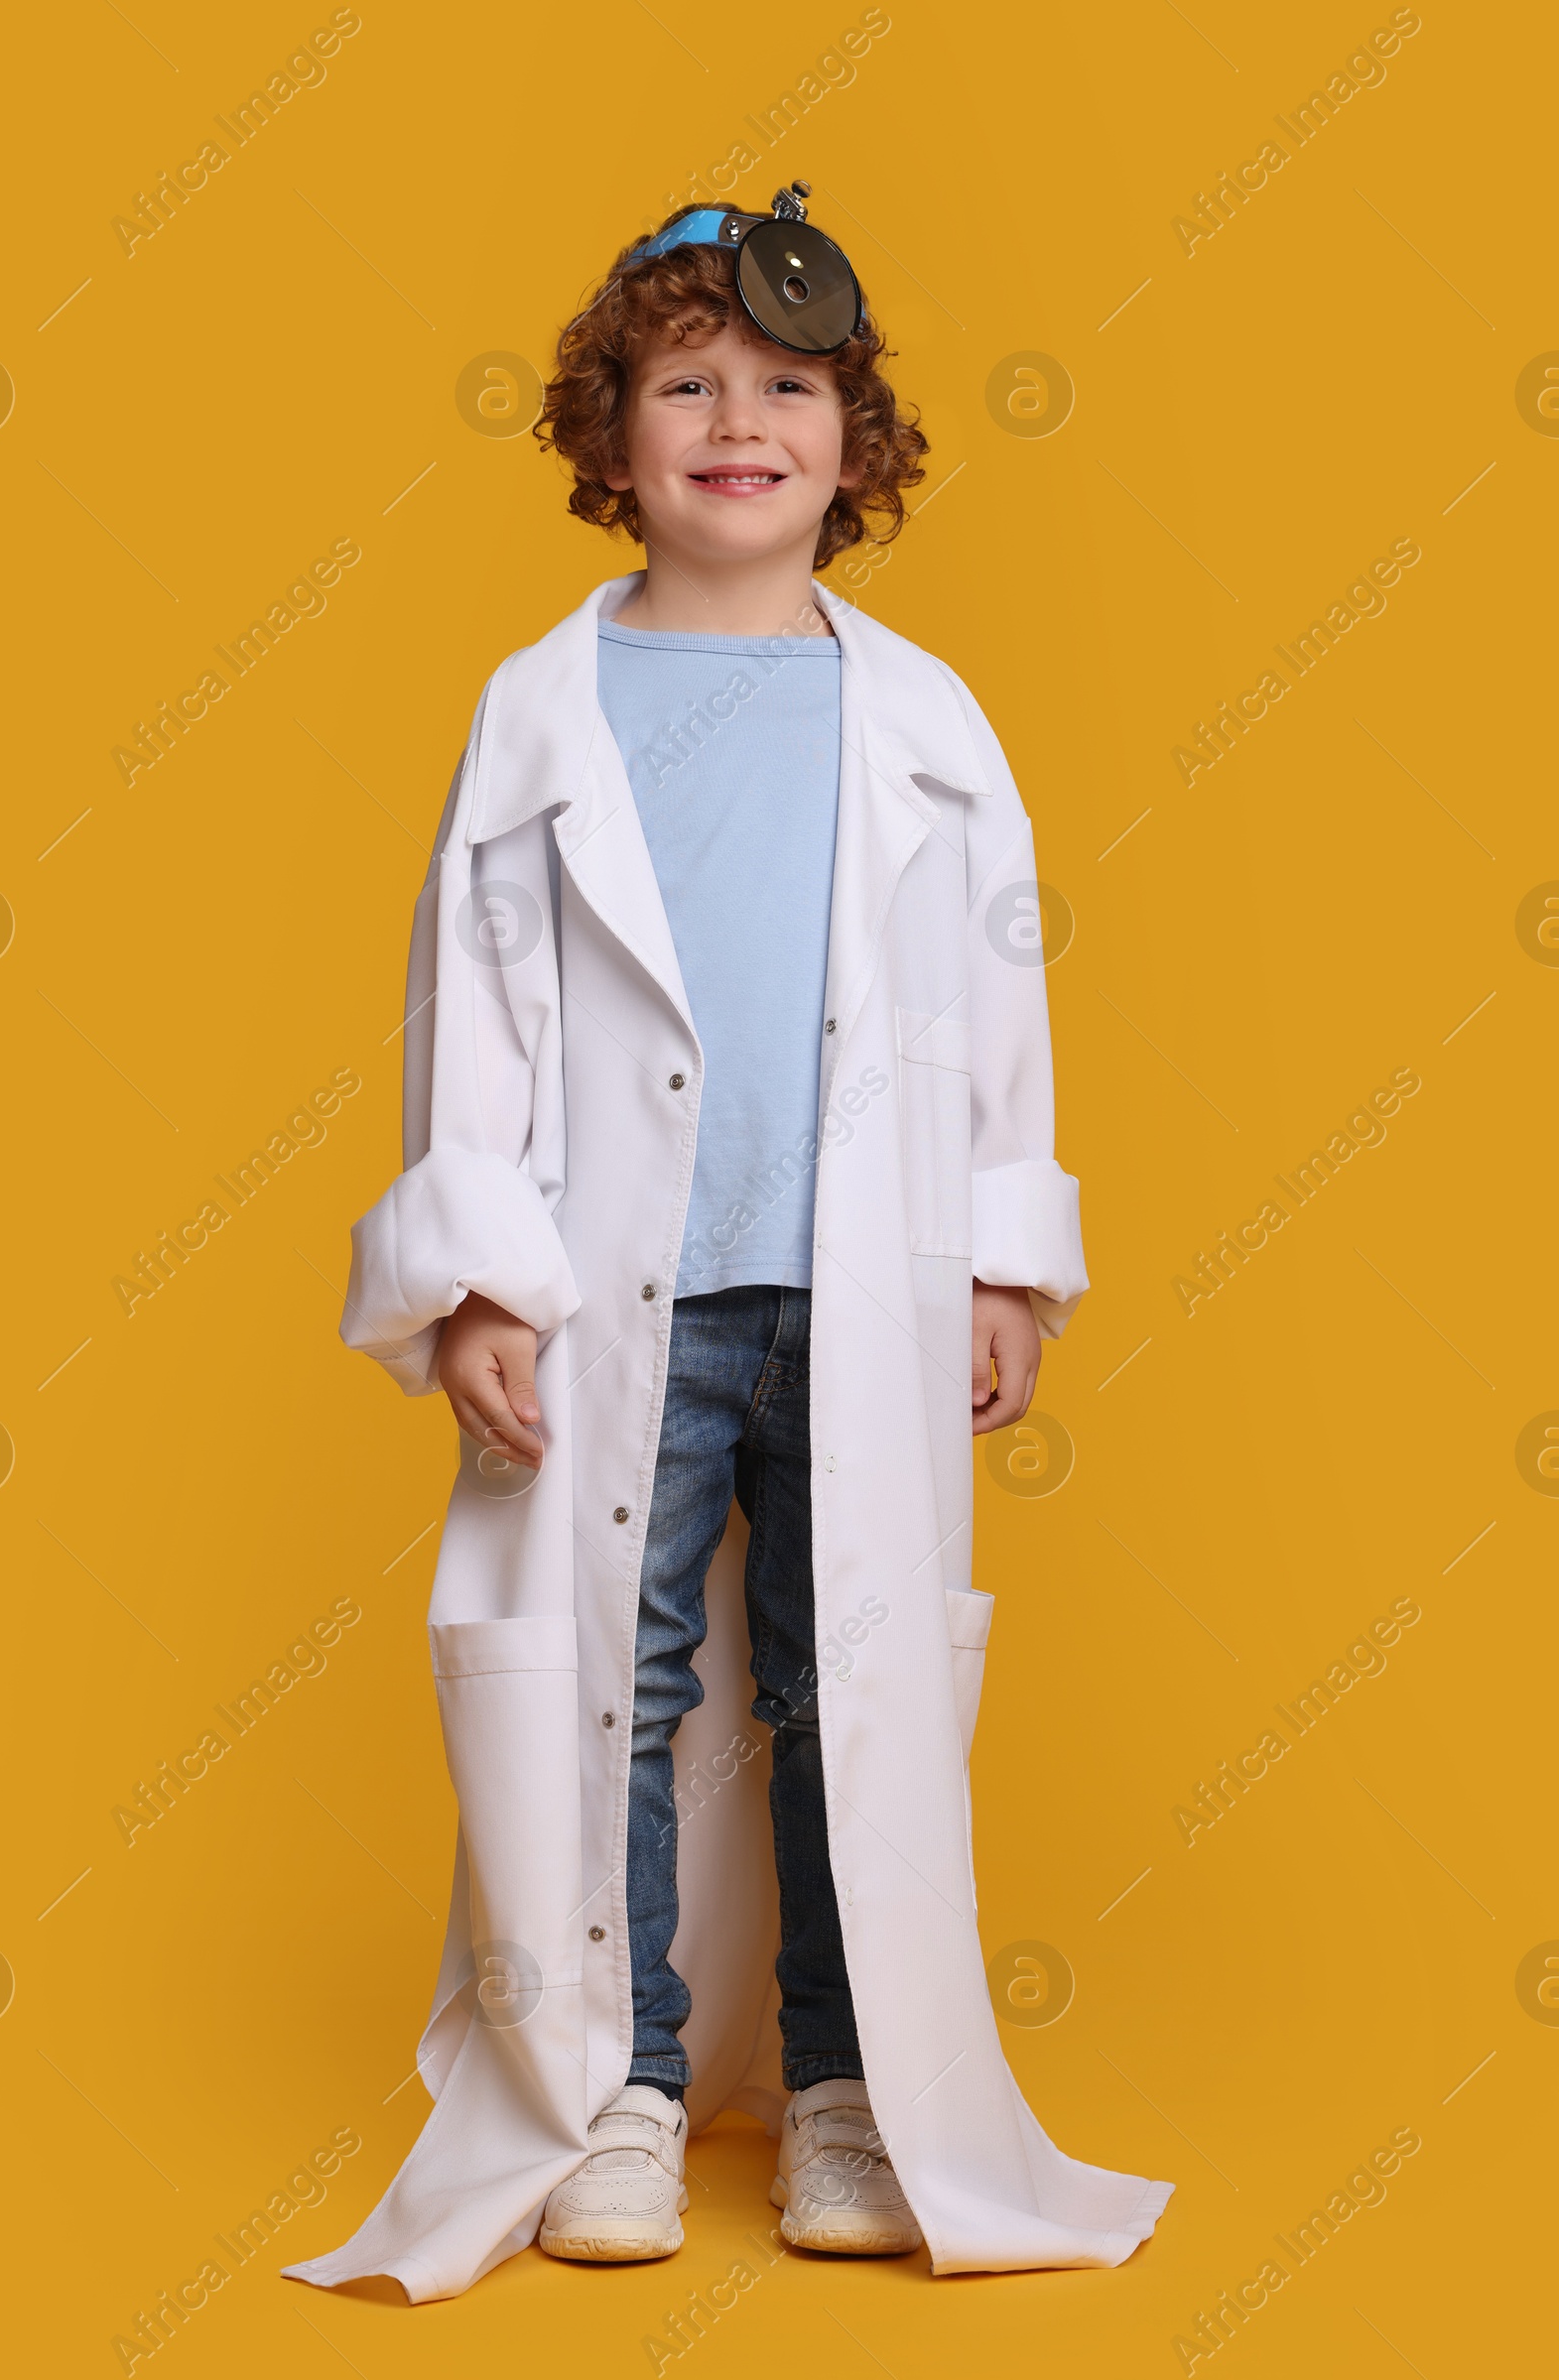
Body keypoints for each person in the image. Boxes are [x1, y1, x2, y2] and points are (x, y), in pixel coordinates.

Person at [287, 188, 1170, 2304]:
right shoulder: (541, 708)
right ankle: (614, 2085)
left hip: (853, 1290)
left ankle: (854, 2094)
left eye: (786, 388)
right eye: (684, 386)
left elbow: (998, 1012)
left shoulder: (931, 726)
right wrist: (481, 1272)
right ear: (613, 437)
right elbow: (470, 1007)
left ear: (853, 445)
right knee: (606, 1677)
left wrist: (996, 1257)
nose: (736, 421)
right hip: (616, 1297)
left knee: (845, 1683)